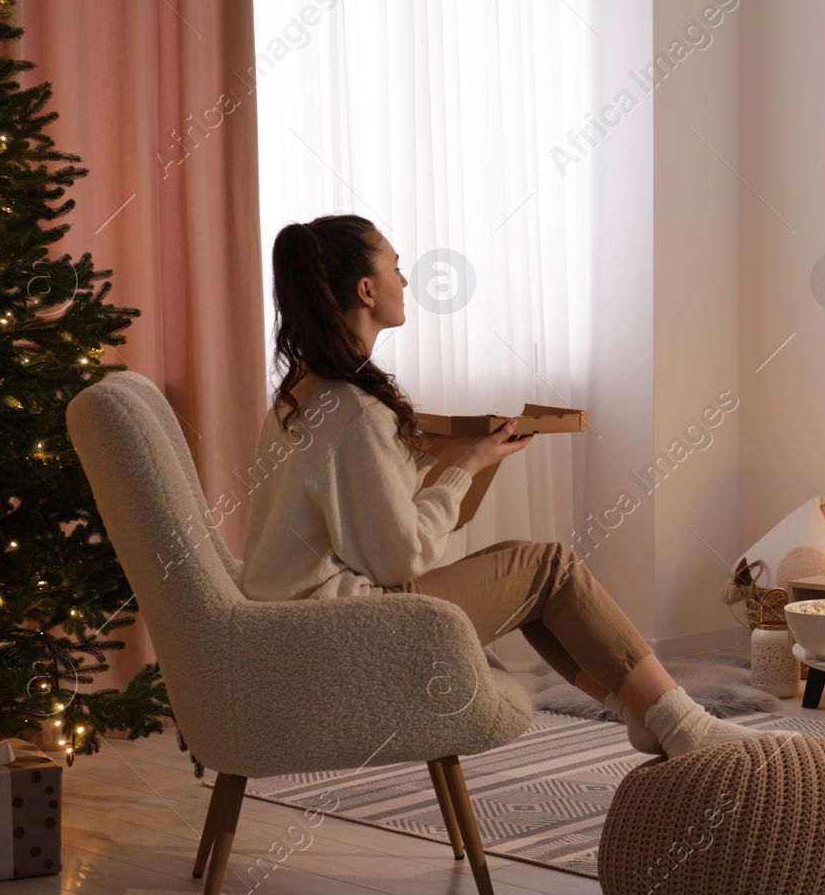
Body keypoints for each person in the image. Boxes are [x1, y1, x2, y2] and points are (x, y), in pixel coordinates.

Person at [239, 215, 761, 758]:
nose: (406, 281)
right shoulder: (355, 411)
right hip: (349, 636)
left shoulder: (300, 398)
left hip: (296, 632)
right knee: (549, 567)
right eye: (396, 267)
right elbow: (398, 558)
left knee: (521, 561)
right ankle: (682, 723)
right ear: (365, 290)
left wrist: (452, 456)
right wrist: (466, 468)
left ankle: (645, 713)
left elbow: (354, 510)